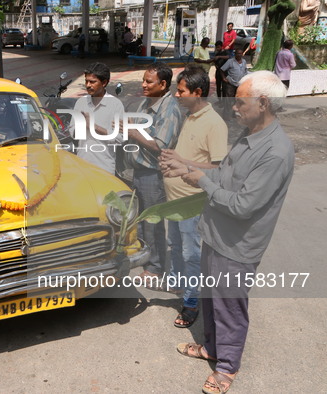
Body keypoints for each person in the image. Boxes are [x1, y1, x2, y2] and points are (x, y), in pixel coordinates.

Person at [165, 71, 293, 394]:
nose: (233, 107)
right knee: (211, 299)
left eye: (240, 101)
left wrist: (201, 182)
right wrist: (190, 169)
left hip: (238, 246)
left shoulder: (275, 152)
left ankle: (227, 368)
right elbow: (222, 172)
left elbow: (242, 206)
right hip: (216, 235)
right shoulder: (250, 134)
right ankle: (211, 347)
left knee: (230, 307)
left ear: (262, 103)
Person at [159, 65, 228, 328]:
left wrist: (181, 161)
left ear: (197, 92)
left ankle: (191, 302)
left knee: (191, 254)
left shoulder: (214, 124)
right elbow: (187, 158)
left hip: (193, 204)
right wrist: (170, 164)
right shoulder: (190, 116)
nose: (177, 96)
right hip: (175, 200)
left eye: (181, 91)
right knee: (176, 247)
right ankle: (179, 287)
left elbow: (219, 170)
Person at [124, 63, 182, 283]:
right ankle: (144, 259)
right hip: (137, 171)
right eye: (144, 80)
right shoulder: (145, 103)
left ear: (163, 84)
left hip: (153, 175)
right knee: (139, 220)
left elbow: (160, 145)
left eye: (149, 81)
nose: (144, 85)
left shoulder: (170, 109)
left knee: (153, 222)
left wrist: (132, 131)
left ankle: (156, 267)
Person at [73, 62, 125, 175]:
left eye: (92, 82)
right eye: (86, 81)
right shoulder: (81, 102)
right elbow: (72, 133)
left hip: (104, 168)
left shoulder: (116, 105)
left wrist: (93, 126)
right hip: (82, 165)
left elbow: (119, 139)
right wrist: (80, 125)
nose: (88, 85)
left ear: (104, 82)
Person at [221, 48, 248, 117]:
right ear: (235, 54)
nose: (239, 55)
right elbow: (221, 70)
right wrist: (224, 78)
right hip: (231, 83)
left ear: (242, 54)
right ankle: (226, 116)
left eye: (240, 53)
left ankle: (234, 114)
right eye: (237, 53)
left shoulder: (244, 61)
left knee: (237, 100)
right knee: (228, 100)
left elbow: (245, 71)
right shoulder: (230, 61)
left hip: (240, 84)